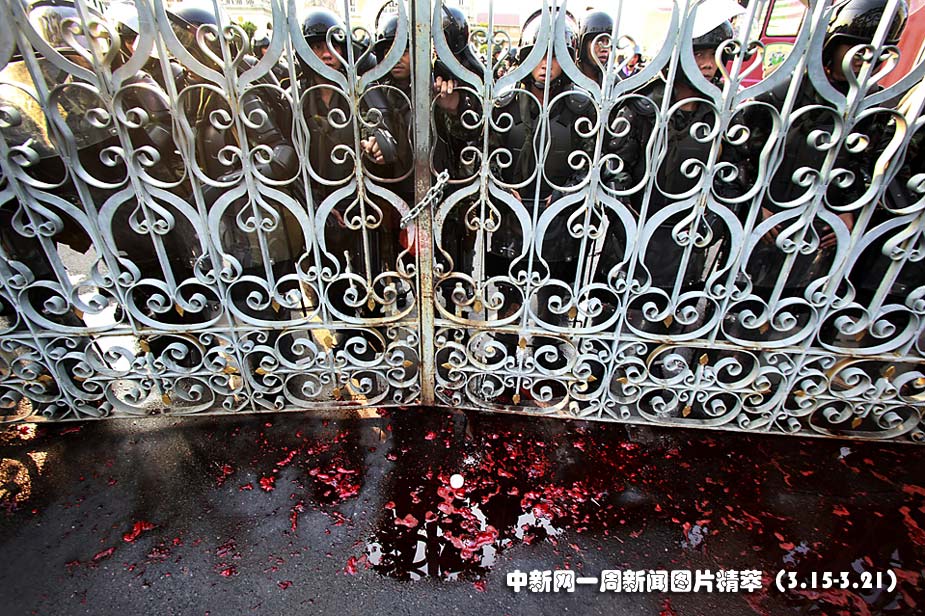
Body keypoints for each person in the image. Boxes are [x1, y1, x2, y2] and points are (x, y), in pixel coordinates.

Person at [741, 0, 908, 320]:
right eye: (855, 47)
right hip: (769, 219)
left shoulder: (880, 109)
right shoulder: (783, 94)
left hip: (825, 229)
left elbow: (873, 168)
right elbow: (746, 155)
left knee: (798, 309)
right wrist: (755, 203)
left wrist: (851, 212)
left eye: (875, 51)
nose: (864, 58)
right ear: (832, 46)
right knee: (745, 303)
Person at [604, 11, 743, 337]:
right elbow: (614, 167)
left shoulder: (725, 113)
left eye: (714, 54)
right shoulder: (641, 106)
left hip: (689, 240)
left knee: (667, 326)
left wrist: (711, 223)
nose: (707, 65)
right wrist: (629, 219)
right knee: (616, 323)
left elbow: (733, 177)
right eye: (699, 54)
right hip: (634, 236)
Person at [576, 10, 613, 84]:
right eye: (599, 40)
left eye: (608, 41)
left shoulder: (613, 83)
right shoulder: (568, 80)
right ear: (584, 45)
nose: (605, 48)